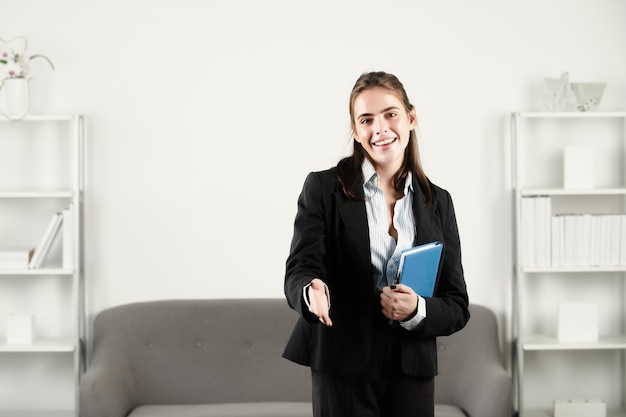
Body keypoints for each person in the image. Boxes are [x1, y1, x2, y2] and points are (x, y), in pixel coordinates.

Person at [282, 71, 470, 417]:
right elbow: (300, 267)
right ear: (356, 131)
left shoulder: (438, 202)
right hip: (341, 359)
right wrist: (312, 290)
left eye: (390, 114)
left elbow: (457, 304)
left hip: (412, 366)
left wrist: (416, 310)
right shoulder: (324, 189)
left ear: (411, 117)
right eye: (366, 120)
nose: (380, 128)